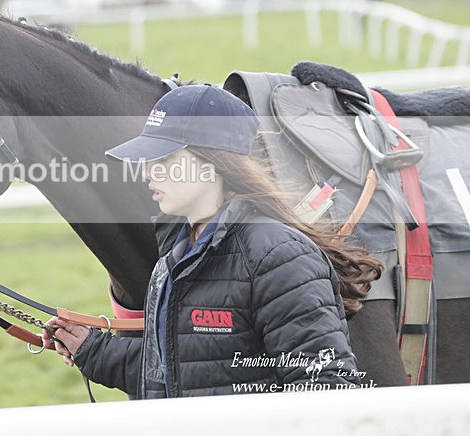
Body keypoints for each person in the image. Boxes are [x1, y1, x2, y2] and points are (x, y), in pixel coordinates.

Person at [41, 84, 382, 397]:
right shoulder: (173, 260)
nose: (148, 172)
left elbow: (325, 390)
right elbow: (178, 372)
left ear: (213, 163)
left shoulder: (278, 256)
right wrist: (89, 348)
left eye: (165, 159)